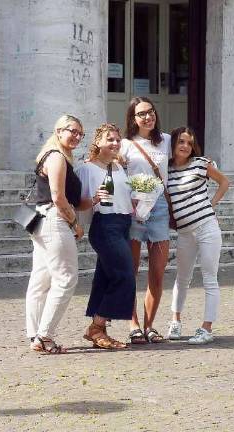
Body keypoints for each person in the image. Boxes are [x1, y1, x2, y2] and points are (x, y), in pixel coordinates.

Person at [164, 127, 229, 344]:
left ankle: (206, 328)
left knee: (209, 277)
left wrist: (211, 204)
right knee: (182, 277)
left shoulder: (201, 163)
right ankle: (175, 321)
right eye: (181, 141)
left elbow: (224, 182)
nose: (185, 146)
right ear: (173, 143)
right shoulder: (167, 169)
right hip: (184, 232)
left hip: (206, 227)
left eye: (189, 143)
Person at [26, 115, 85, 354]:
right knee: (66, 278)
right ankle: (45, 335)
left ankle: (35, 334)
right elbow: (58, 197)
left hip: (41, 220)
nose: (77, 137)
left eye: (81, 133)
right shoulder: (57, 157)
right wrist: (74, 224)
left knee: (40, 280)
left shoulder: (50, 156)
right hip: (54, 220)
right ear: (58, 130)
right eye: (72, 131)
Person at [76, 123, 134, 349]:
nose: (115, 143)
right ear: (98, 142)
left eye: (118, 139)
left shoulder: (120, 167)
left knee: (106, 277)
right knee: (125, 275)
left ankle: (98, 331)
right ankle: (97, 326)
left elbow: (124, 196)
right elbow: (77, 203)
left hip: (123, 224)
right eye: (109, 139)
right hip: (104, 225)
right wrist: (80, 223)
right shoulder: (87, 169)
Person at [120, 96, 172, 344]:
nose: (148, 117)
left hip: (159, 206)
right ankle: (133, 324)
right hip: (134, 207)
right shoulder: (125, 144)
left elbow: (180, 164)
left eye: (150, 112)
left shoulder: (166, 141)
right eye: (142, 114)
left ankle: (150, 324)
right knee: (131, 270)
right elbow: (114, 172)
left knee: (157, 272)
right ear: (133, 118)